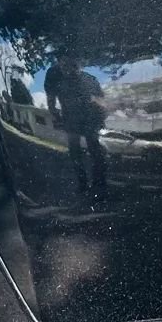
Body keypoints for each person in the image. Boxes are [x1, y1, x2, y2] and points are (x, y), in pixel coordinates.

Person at [45, 53, 108, 207]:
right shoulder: (58, 81)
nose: (69, 69)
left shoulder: (90, 80)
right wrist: (55, 114)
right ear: (60, 65)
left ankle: (98, 185)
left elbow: (101, 100)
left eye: (72, 65)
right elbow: (51, 98)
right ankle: (82, 183)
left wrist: (99, 115)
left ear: (78, 63)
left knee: (95, 151)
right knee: (75, 152)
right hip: (71, 120)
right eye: (64, 65)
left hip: (89, 120)